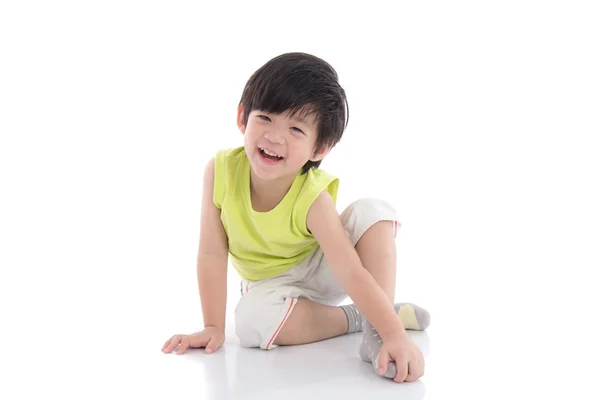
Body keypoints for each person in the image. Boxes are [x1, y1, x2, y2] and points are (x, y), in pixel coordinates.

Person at [161, 52, 430, 383]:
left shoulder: (312, 195)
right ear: (242, 117)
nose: (275, 136)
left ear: (319, 150)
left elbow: (349, 269)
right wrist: (213, 326)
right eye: (266, 118)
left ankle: (380, 330)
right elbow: (212, 252)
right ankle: (359, 317)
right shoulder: (220, 172)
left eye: (296, 129)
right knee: (249, 324)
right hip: (270, 285)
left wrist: (395, 336)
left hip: (323, 267)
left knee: (373, 213)